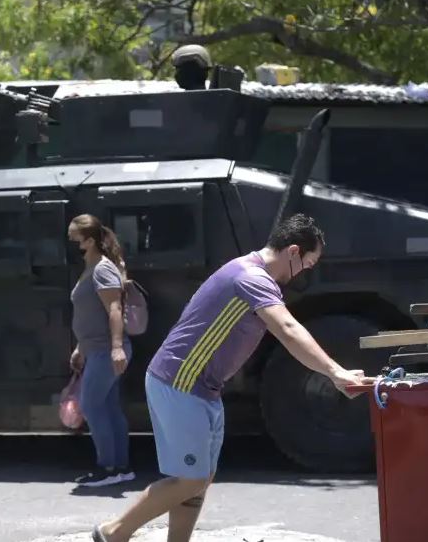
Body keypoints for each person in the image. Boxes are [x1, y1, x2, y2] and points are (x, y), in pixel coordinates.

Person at [92, 214, 373, 542]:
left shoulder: (248, 272)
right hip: (180, 382)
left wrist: (334, 371)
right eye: (308, 264)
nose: (306, 273)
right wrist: (335, 372)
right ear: (293, 251)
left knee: (200, 477)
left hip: (203, 388)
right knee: (190, 479)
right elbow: (287, 328)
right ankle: (114, 532)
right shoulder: (251, 277)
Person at [67, 214, 134, 487]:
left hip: (106, 351)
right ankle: (120, 467)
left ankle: (107, 467)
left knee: (91, 405)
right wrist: (79, 348)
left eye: (75, 240)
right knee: (107, 406)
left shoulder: (102, 269)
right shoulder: (91, 267)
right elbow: (90, 314)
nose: (71, 245)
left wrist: (116, 348)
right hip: (95, 349)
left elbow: (114, 309)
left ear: (90, 241)